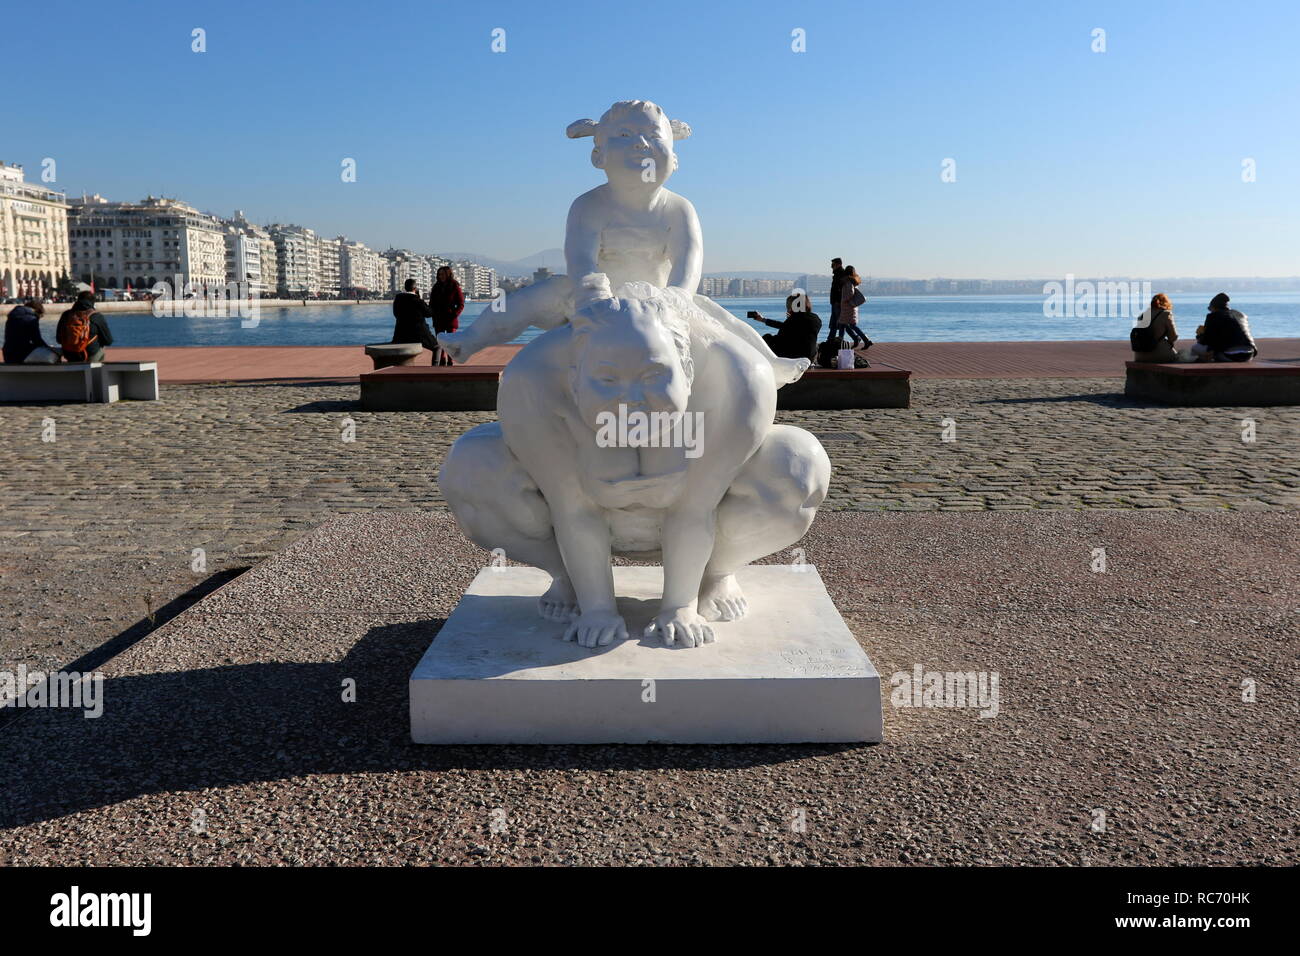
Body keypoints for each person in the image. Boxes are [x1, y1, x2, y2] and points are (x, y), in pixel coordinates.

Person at [435, 99, 808, 386]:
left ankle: (770, 364)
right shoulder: (589, 204)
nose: (640, 145)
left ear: (673, 159)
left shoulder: (679, 209)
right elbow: (580, 258)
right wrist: (594, 293)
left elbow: (688, 262)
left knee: (721, 321)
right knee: (525, 301)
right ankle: (470, 339)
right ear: (598, 155)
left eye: (654, 137)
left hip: (662, 297)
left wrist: (678, 294)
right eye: (625, 136)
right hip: (594, 296)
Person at [750, 292, 821, 361]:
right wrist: (763, 320)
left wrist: (791, 319)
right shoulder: (816, 319)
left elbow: (782, 335)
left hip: (793, 357)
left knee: (767, 338)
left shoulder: (793, 320)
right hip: (809, 358)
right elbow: (795, 328)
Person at [1192, 293, 1256, 362]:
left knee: (1195, 348)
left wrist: (1200, 336)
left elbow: (1207, 341)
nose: (1210, 311)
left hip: (1230, 356)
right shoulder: (1241, 315)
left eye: (1209, 308)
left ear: (1214, 307)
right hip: (1249, 355)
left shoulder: (1213, 316)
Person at [390, 278, 440, 363]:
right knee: (437, 347)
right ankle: (434, 369)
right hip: (419, 333)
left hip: (401, 333)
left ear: (405, 288)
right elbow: (429, 313)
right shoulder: (417, 300)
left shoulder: (398, 299)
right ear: (415, 288)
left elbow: (396, 314)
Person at [56, 294, 113, 363]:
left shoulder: (66, 315)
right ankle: (96, 371)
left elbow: (59, 339)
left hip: (70, 355)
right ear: (92, 303)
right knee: (101, 351)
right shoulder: (96, 316)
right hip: (89, 354)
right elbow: (108, 341)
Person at [428, 266, 465, 366]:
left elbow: (461, 304)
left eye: (443, 274)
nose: (441, 276)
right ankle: (442, 360)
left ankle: (450, 361)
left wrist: (454, 315)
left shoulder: (454, 286)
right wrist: (432, 314)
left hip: (450, 320)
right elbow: (431, 303)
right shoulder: (436, 287)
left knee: (451, 342)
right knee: (441, 342)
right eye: (439, 274)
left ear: (448, 274)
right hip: (438, 319)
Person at [3, 300, 59, 364]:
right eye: (40, 316)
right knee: (53, 356)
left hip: (8, 354)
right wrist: (49, 348)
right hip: (20, 355)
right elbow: (37, 340)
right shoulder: (31, 319)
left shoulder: (12, 316)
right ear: (38, 311)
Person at [1130, 293, 1180, 363]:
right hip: (1158, 354)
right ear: (1166, 303)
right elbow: (1173, 337)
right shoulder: (1166, 314)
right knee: (1180, 358)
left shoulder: (1142, 316)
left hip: (1140, 355)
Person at [837, 265, 870, 349]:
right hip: (850, 307)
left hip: (848, 307)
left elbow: (850, 294)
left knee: (847, 325)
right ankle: (862, 340)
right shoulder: (853, 281)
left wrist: (844, 299)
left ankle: (840, 344)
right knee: (845, 325)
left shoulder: (848, 282)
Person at [827, 257, 845, 342]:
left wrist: (838, 300)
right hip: (835, 302)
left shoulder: (841, 274)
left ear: (838, 264)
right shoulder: (837, 274)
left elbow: (840, 290)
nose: (831, 267)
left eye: (833, 265)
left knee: (840, 322)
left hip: (837, 302)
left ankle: (840, 338)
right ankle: (831, 338)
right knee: (834, 321)